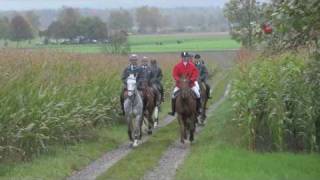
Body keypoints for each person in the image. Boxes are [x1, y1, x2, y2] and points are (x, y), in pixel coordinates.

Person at [168, 52, 201, 116]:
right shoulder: (177, 66)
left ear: (188, 57)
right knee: (173, 95)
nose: (185, 58)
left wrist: (191, 80)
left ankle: (198, 110)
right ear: (182, 58)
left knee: (198, 94)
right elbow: (175, 74)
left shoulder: (192, 65)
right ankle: (173, 111)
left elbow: (195, 74)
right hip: (180, 85)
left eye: (186, 57)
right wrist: (179, 80)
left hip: (190, 85)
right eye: (184, 57)